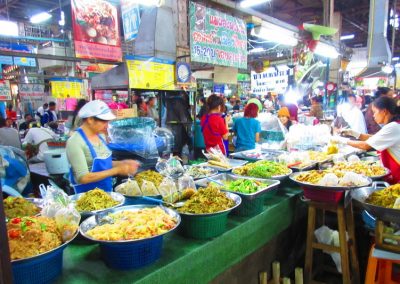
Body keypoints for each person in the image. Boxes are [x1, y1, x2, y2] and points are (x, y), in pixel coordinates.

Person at [66, 100, 139, 193]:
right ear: (90, 119)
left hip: (106, 195)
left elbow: (103, 163)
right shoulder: (75, 142)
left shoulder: (100, 136)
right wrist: (117, 170)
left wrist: (123, 163)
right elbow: (83, 177)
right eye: (104, 121)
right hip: (87, 199)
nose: (107, 125)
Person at [335, 97, 400, 184]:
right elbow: (375, 138)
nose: (373, 116)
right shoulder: (394, 125)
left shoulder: (393, 127)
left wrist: (342, 140)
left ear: (384, 112)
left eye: (375, 112)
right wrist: (354, 134)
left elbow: (366, 145)